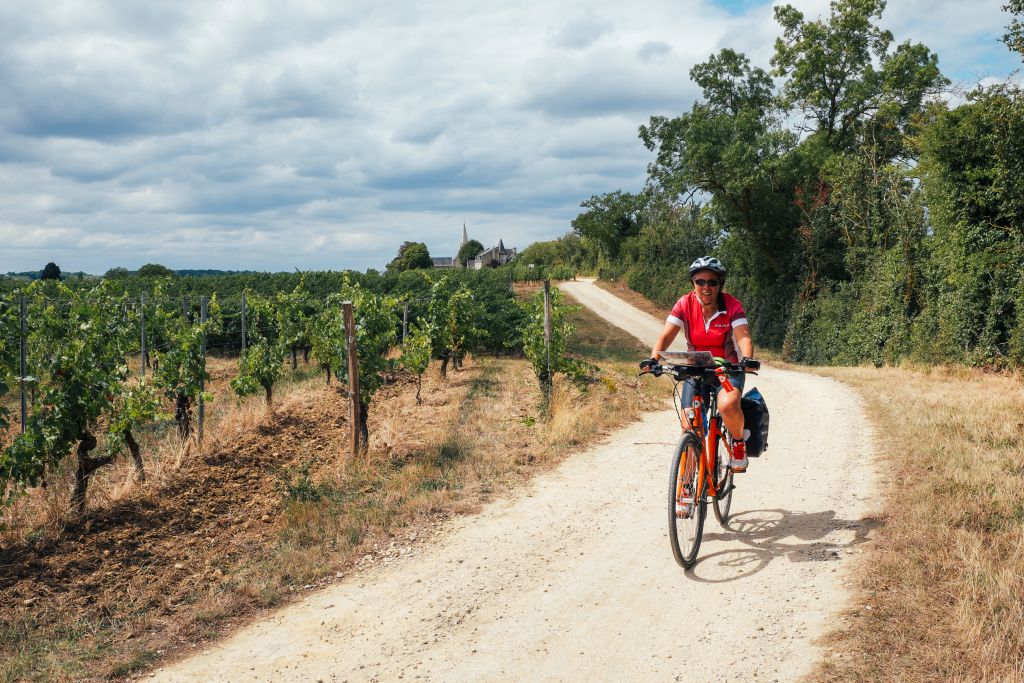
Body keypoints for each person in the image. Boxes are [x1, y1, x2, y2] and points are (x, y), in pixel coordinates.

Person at [645, 256, 755, 472]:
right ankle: (686, 485)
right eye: (700, 282)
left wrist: (747, 359)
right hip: (696, 369)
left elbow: (743, 337)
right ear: (693, 283)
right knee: (688, 425)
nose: (706, 287)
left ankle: (738, 443)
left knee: (727, 405)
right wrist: (653, 359)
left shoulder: (731, 305)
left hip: (727, 369)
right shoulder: (684, 303)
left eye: (712, 282)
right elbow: (666, 336)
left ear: (720, 284)